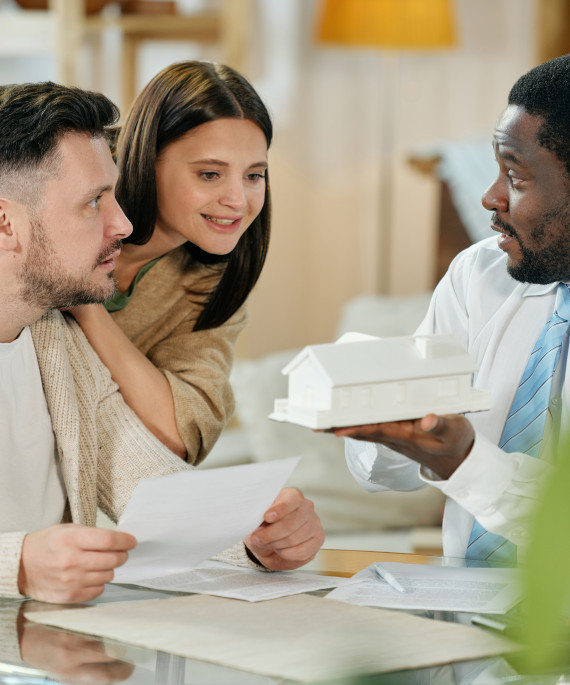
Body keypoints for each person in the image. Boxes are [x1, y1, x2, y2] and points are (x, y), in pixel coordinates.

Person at [0, 81, 324, 604]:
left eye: (113, 194)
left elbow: (144, 476)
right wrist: (16, 565)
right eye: (93, 202)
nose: (122, 223)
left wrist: (252, 531)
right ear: (5, 223)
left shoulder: (53, 337)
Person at [334, 54, 570, 561]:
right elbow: (382, 474)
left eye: (515, 176)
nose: (490, 197)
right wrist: (388, 428)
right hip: (463, 615)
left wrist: (467, 461)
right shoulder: (480, 274)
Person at [68, 60, 272, 463]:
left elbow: (180, 435)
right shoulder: (66, 200)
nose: (238, 201)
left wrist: (86, 306)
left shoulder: (213, 283)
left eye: (253, 176)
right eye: (210, 174)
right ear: (149, 159)